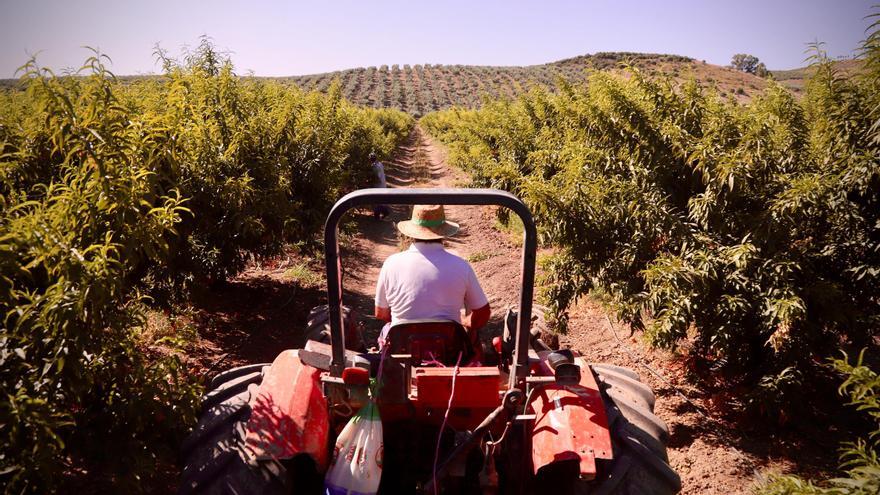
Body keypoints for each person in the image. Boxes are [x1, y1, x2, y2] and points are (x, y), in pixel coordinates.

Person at [374, 204, 491, 354]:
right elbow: (482, 313)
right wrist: (465, 321)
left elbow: (380, 312)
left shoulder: (391, 263)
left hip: (403, 350)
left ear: (412, 233)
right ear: (443, 232)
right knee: (474, 337)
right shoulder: (461, 266)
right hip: (449, 351)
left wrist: (405, 320)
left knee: (386, 330)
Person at [370, 152, 389, 220]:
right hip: (383, 184)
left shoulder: (374, 166)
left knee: (377, 201)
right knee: (379, 200)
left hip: (378, 186)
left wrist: (371, 182)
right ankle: (381, 214)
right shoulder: (380, 164)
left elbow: (377, 178)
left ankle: (380, 214)